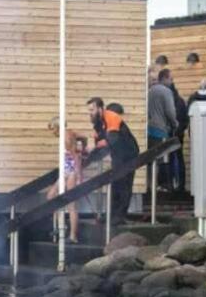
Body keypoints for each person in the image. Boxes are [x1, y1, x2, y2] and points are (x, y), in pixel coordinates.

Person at [87, 97, 140, 226]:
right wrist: (88, 154)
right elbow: (97, 138)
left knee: (124, 185)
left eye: (92, 109)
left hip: (129, 153)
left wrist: (95, 146)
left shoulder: (112, 117)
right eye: (88, 110)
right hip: (117, 154)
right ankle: (111, 215)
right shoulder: (98, 122)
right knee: (115, 183)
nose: (90, 113)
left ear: (100, 108)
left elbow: (112, 139)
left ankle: (120, 216)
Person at [46, 116, 81, 244]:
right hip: (65, 170)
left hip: (70, 171)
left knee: (71, 205)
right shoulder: (70, 133)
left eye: (53, 129)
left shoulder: (66, 137)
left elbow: (75, 156)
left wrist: (78, 176)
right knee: (51, 196)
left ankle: (73, 236)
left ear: (57, 127)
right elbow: (82, 139)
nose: (52, 133)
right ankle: (58, 226)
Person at [147, 68, 178, 192]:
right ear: (164, 78)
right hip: (161, 129)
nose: (172, 82)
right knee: (160, 159)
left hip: (149, 129)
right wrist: (175, 123)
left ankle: (149, 185)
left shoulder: (150, 91)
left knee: (149, 159)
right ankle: (157, 186)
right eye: (171, 79)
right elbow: (170, 111)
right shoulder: (166, 91)